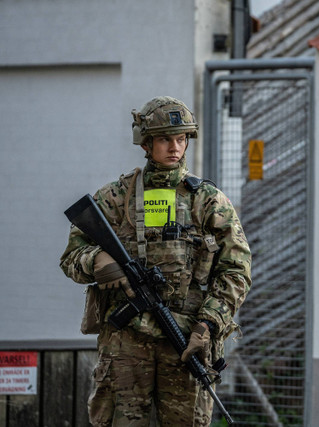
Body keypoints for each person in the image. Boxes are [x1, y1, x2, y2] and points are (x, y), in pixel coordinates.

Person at [60, 96, 252, 426]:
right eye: (165, 139)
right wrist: (97, 260)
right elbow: (71, 258)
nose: (175, 147)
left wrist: (208, 323)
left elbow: (236, 269)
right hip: (126, 345)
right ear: (146, 143)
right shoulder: (117, 197)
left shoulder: (207, 201)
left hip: (185, 339)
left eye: (181, 139)